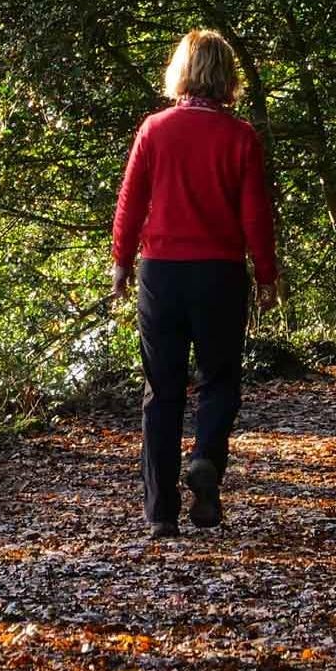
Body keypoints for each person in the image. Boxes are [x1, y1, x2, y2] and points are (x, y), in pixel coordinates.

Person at [110, 28, 281, 538]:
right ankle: (205, 458)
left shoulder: (154, 129)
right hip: (220, 275)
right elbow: (256, 216)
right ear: (226, 78)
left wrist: (121, 262)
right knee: (219, 380)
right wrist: (267, 275)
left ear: (180, 72)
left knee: (161, 391)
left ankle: (160, 512)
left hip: (160, 273)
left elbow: (131, 200)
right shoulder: (240, 137)